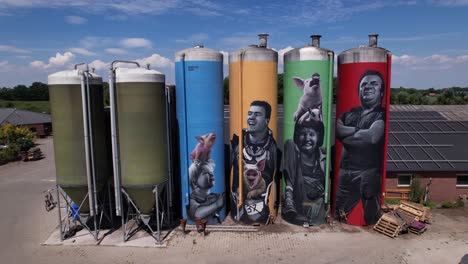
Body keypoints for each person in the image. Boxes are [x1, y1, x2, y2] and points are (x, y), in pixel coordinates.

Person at [335, 70, 386, 224]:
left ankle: (370, 234)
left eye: (374, 84)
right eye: (364, 84)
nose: (368, 87)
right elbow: (337, 130)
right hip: (345, 171)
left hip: (368, 173)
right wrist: (359, 132)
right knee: (339, 211)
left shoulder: (381, 114)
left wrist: (347, 135)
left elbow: (372, 137)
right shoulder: (349, 114)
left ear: (382, 92)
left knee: (371, 214)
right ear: (359, 91)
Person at [230, 100, 277, 223]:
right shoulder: (237, 144)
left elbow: (272, 178)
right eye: (250, 113)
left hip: (262, 207)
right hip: (238, 205)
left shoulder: (272, 148)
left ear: (267, 121)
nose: (251, 117)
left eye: (257, 114)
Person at [282, 111, 326, 225]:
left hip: (316, 203)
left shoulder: (323, 156)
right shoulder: (293, 151)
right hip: (297, 200)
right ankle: (289, 200)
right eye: (303, 134)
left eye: (311, 134)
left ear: (318, 137)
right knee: (289, 144)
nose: (307, 138)